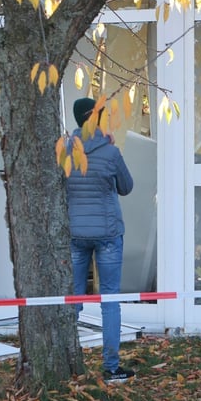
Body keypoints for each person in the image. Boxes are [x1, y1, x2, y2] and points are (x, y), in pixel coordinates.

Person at [66, 97, 135, 382]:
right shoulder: (110, 151)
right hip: (107, 234)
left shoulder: (65, 150)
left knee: (71, 300)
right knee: (109, 299)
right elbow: (127, 187)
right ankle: (111, 367)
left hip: (75, 234)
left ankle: (69, 361)